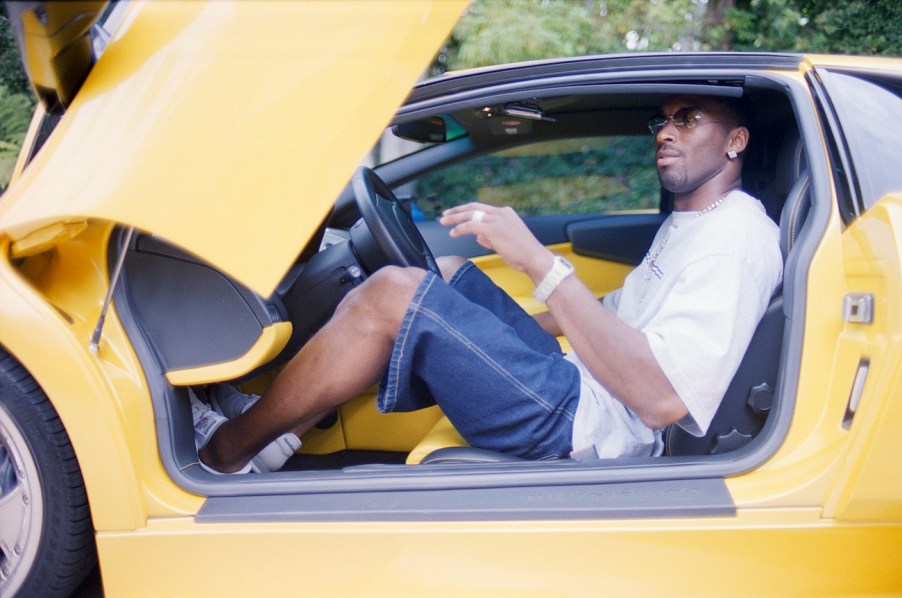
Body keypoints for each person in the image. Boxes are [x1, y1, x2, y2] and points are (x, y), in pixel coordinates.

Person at [191, 94, 783, 474]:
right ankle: (274, 434)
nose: (665, 132)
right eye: (662, 121)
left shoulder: (736, 240)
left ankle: (222, 454)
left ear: (736, 141)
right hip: (579, 380)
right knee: (445, 274)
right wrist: (500, 322)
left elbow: (661, 400)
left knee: (395, 293)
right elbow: (615, 315)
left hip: (588, 424)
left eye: (687, 119)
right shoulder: (693, 222)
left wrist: (539, 264)